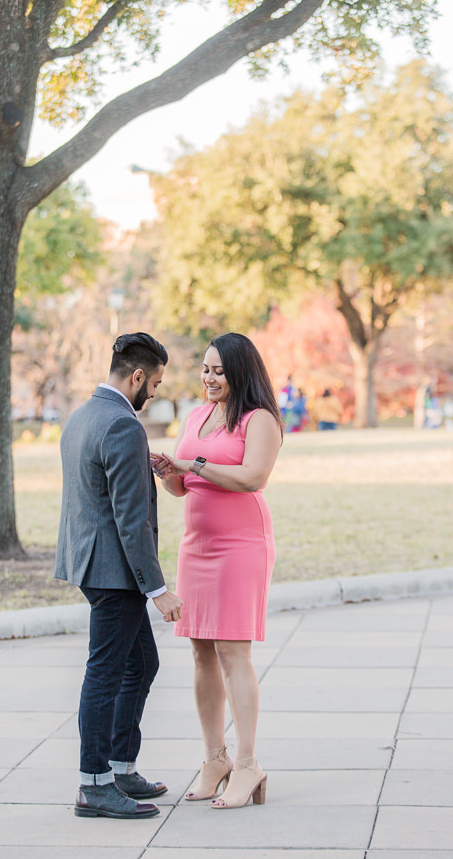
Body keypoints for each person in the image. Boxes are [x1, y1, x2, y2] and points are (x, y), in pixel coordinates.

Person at [150, 332, 283, 810]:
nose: (209, 377)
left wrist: (194, 464)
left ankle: (248, 765)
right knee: (200, 650)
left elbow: (253, 478)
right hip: (197, 545)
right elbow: (182, 489)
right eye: (205, 369)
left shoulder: (259, 418)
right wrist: (168, 470)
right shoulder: (198, 415)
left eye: (219, 370)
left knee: (233, 650)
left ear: (240, 372)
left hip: (241, 544)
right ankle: (216, 758)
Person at [54, 332, 184, 821]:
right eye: (153, 383)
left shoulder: (85, 415)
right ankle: (94, 784)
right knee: (106, 675)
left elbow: (97, 488)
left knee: (140, 665)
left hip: (91, 563)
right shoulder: (123, 427)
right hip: (116, 574)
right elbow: (131, 519)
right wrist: (159, 589)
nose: (154, 393)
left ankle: (120, 766)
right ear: (136, 376)